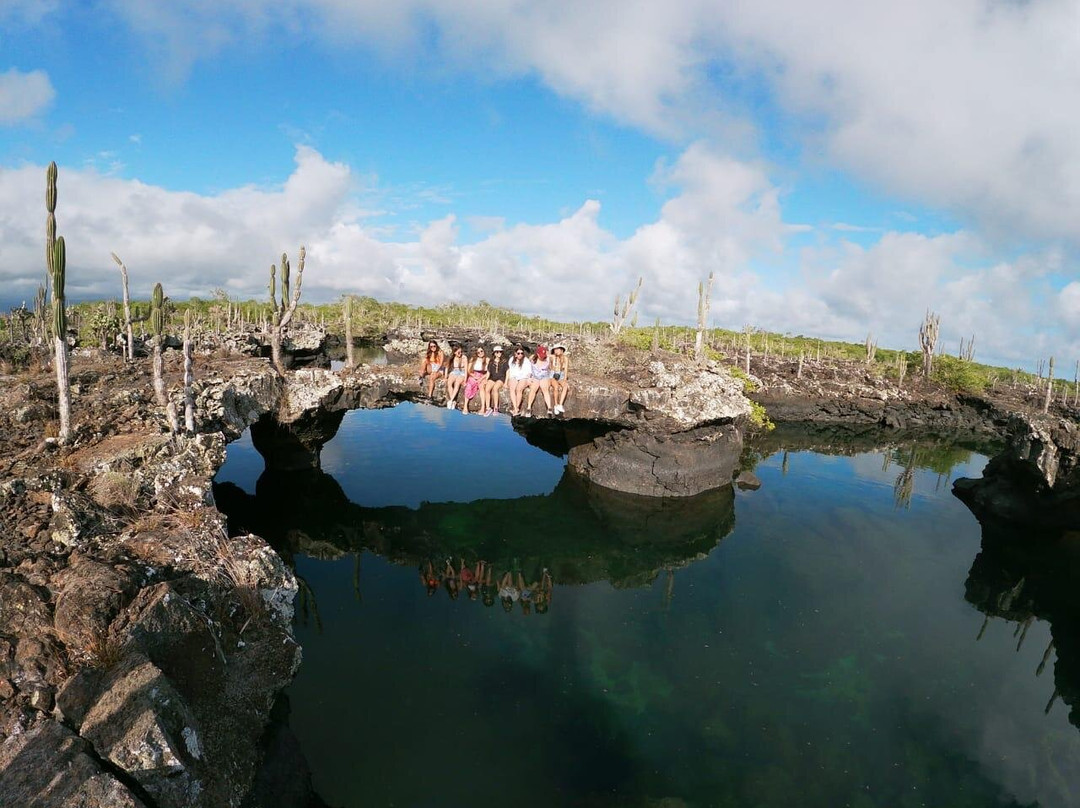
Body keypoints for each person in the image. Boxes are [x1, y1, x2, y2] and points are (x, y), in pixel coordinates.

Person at [525, 344, 554, 417]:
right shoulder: (532, 359)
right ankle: (529, 408)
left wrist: (549, 378)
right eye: (541, 355)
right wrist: (529, 378)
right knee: (533, 389)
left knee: (545, 389)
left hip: (544, 376)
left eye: (544, 354)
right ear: (537, 354)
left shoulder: (547, 359)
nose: (543, 356)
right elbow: (528, 369)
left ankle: (549, 408)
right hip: (535, 377)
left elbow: (551, 369)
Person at [506, 345, 533, 416]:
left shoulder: (526, 360)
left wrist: (528, 379)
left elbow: (529, 372)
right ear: (515, 354)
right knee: (512, 388)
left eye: (522, 353)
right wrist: (507, 381)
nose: (520, 355)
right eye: (518, 353)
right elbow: (510, 371)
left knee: (519, 389)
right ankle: (516, 408)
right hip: (514, 376)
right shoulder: (511, 360)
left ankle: (516, 408)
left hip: (523, 377)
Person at [462, 346, 489, 415]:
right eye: (478, 352)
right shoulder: (473, 359)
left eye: (481, 351)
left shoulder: (487, 359)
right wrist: (473, 376)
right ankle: (465, 406)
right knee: (469, 385)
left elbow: (489, 371)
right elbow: (468, 370)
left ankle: (483, 407)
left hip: (483, 376)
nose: (480, 353)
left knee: (482, 387)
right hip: (474, 374)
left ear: (484, 351)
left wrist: (482, 378)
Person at [482, 346, 508, 416]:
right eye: (497, 352)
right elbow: (488, 372)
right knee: (487, 389)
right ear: (495, 353)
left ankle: (496, 407)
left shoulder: (504, 361)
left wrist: (506, 383)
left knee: (495, 388)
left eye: (500, 352)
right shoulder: (491, 362)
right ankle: (488, 408)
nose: (499, 353)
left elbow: (507, 372)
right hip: (492, 378)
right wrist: (486, 380)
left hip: (501, 378)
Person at [445, 343, 467, 409]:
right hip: (455, 371)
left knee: (457, 383)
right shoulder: (452, 357)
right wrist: (446, 376)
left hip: (462, 372)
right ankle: (454, 401)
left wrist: (465, 380)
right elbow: (447, 367)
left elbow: (466, 370)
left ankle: (451, 400)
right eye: (458, 352)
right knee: (449, 383)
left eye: (461, 352)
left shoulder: (464, 357)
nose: (460, 353)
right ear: (454, 352)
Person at [550, 343, 570, 415]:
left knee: (565, 386)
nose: (556, 351)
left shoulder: (565, 358)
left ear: (562, 350)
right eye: (555, 349)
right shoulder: (552, 357)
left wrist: (565, 379)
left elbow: (566, 370)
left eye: (558, 349)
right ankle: (555, 404)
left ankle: (560, 405)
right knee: (556, 387)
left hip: (561, 375)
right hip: (553, 375)